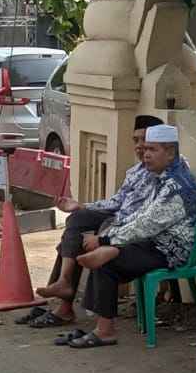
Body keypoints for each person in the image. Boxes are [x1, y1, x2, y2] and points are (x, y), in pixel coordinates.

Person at [58, 123, 196, 350]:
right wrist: (111, 236)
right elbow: (139, 216)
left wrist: (106, 240)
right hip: (151, 242)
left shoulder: (178, 186)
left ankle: (105, 331)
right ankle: (92, 315)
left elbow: (147, 224)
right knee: (103, 250)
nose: (145, 154)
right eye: (145, 148)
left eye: (152, 149)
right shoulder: (159, 177)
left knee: (107, 261)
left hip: (169, 249)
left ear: (170, 152)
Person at [18, 114, 164, 330]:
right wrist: (82, 206)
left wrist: (104, 238)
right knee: (78, 220)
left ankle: (82, 315)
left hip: (139, 232)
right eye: (136, 140)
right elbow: (117, 202)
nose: (140, 147)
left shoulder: (169, 175)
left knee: (95, 239)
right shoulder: (136, 171)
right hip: (120, 220)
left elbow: (149, 219)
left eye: (146, 141)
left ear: (164, 147)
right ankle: (64, 285)